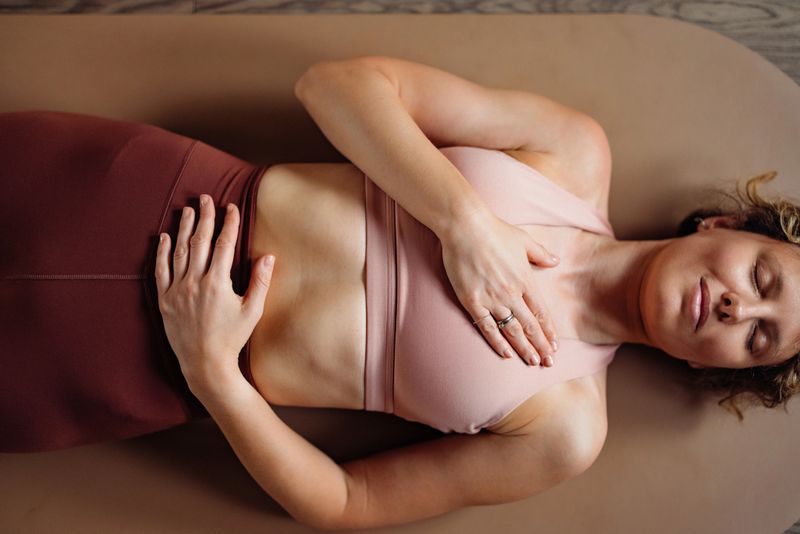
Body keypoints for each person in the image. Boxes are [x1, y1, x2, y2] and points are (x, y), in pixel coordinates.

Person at [2, 55, 798, 529]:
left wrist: (215, 375)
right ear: (723, 227)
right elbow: (336, 86)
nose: (740, 308)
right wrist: (463, 225)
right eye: (763, 280)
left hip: (132, 372)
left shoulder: (565, 431)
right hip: (156, 195)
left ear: (718, 369)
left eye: (758, 336)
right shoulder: (569, 153)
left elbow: (347, 504)